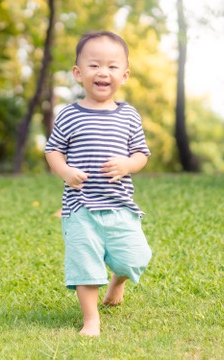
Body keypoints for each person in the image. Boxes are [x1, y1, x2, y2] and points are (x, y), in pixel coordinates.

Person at [44, 31, 152, 336]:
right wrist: (65, 172)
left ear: (125, 75)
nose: (103, 72)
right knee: (85, 264)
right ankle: (91, 320)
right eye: (94, 65)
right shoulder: (69, 114)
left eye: (112, 66)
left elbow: (141, 154)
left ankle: (118, 280)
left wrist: (128, 165)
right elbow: (52, 150)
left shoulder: (129, 115)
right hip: (81, 207)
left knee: (136, 257)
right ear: (79, 74)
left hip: (120, 205)